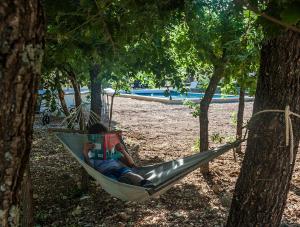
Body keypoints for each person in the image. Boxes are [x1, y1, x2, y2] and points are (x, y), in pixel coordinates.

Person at [83, 123, 154, 187]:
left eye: (104, 138)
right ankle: (124, 183)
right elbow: (91, 169)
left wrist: (122, 151)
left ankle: (145, 183)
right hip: (105, 174)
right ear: (92, 139)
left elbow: (131, 164)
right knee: (113, 181)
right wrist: (85, 153)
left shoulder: (111, 149)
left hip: (119, 169)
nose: (102, 140)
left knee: (131, 175)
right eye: (99, 138)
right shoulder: (91, 153)